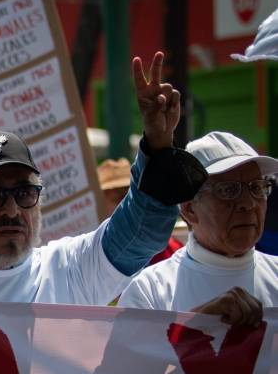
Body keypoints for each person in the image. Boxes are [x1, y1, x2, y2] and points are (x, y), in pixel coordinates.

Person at [0, 52, 206, 306]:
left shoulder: (71, 270)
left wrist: (157, 144)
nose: (12, 211)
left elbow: (143, 231)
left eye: (25, 193)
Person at [118, 131, 278, 327]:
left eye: (256, 187)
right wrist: (194, 329)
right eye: (228, 190)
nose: (247, 203)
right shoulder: (150, 292)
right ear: (189, 208)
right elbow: (127, 358)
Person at [98, 157, 182, 264]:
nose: (128, 204)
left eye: (133, 195)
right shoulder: (88, 254)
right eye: (119, 197)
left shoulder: (171, 249)